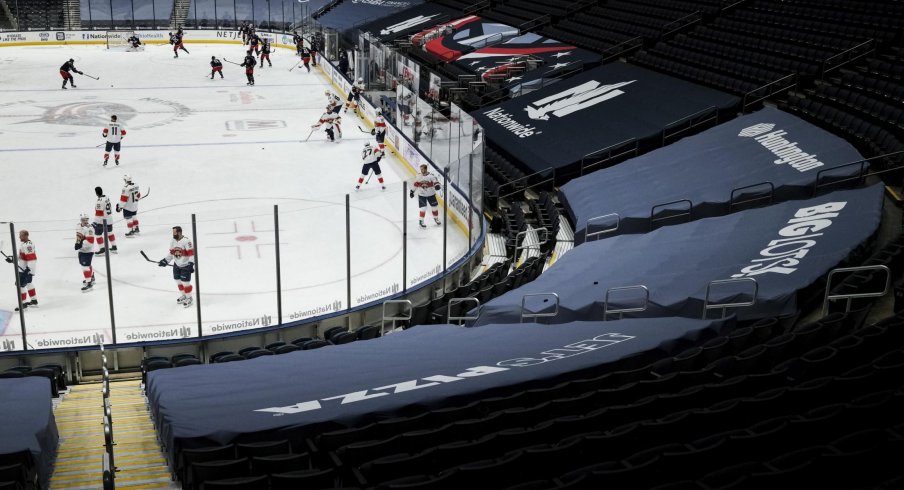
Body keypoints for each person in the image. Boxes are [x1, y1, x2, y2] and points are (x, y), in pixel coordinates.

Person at [158, 226, 195, 307]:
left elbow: (191, 254)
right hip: (177, 264)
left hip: (185, 265)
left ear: (179, 232)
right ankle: (184, 295)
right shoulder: (173, 240)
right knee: (178, 281)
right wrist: (165, 260)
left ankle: (189, 298)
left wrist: (191, 264)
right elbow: (172, 253)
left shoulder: (186, 241)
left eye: (174, 232)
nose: (173, 234)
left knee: (185, 283)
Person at [6, 230, 37, 311]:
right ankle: (34, 300)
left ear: (26, 235)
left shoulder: (28, 245)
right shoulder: (24, 244)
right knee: (29, 283)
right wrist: (12, 259)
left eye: (21, 235)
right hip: (25, 269)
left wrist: (28, 270)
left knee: (20, 285)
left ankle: (23, 304)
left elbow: (32, 258)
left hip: (25, 270)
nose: (19, 237)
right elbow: (21, 256)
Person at [410, 164, 442, 228]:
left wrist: (437, 186)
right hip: (422, 195)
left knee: (434, 207)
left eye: (422, 169)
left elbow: (436, 182)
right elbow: (416, 184)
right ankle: (421, 221)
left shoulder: (431, 176)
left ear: (425, 169)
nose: (421, 170)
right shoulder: (418, 176)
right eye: (420, 169)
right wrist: (412, 191)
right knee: (423, 208)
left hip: (431, 194)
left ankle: (436, 218)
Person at [93, 186, 118, 255]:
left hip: (102, 221)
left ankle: (102, 249)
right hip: (109, 219)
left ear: (96, 193)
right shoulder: (106, 197)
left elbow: (99, 213)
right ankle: (114, 247)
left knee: (98, 235)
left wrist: (95, 222)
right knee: (110, 233)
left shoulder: (99, 201)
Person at [75, 214, 96, 291]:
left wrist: (80, 245)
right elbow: (79, 236)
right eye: (83, 220)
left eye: (86, 219)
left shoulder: (89, 228)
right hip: (82, 250)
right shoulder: (78, 226)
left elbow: (90, 242)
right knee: (86, 265)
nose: (85, 221)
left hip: (88, 251)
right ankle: (91, 278)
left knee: (85, 266)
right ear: (80, 220)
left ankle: (89, 284)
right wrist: (78, 243)